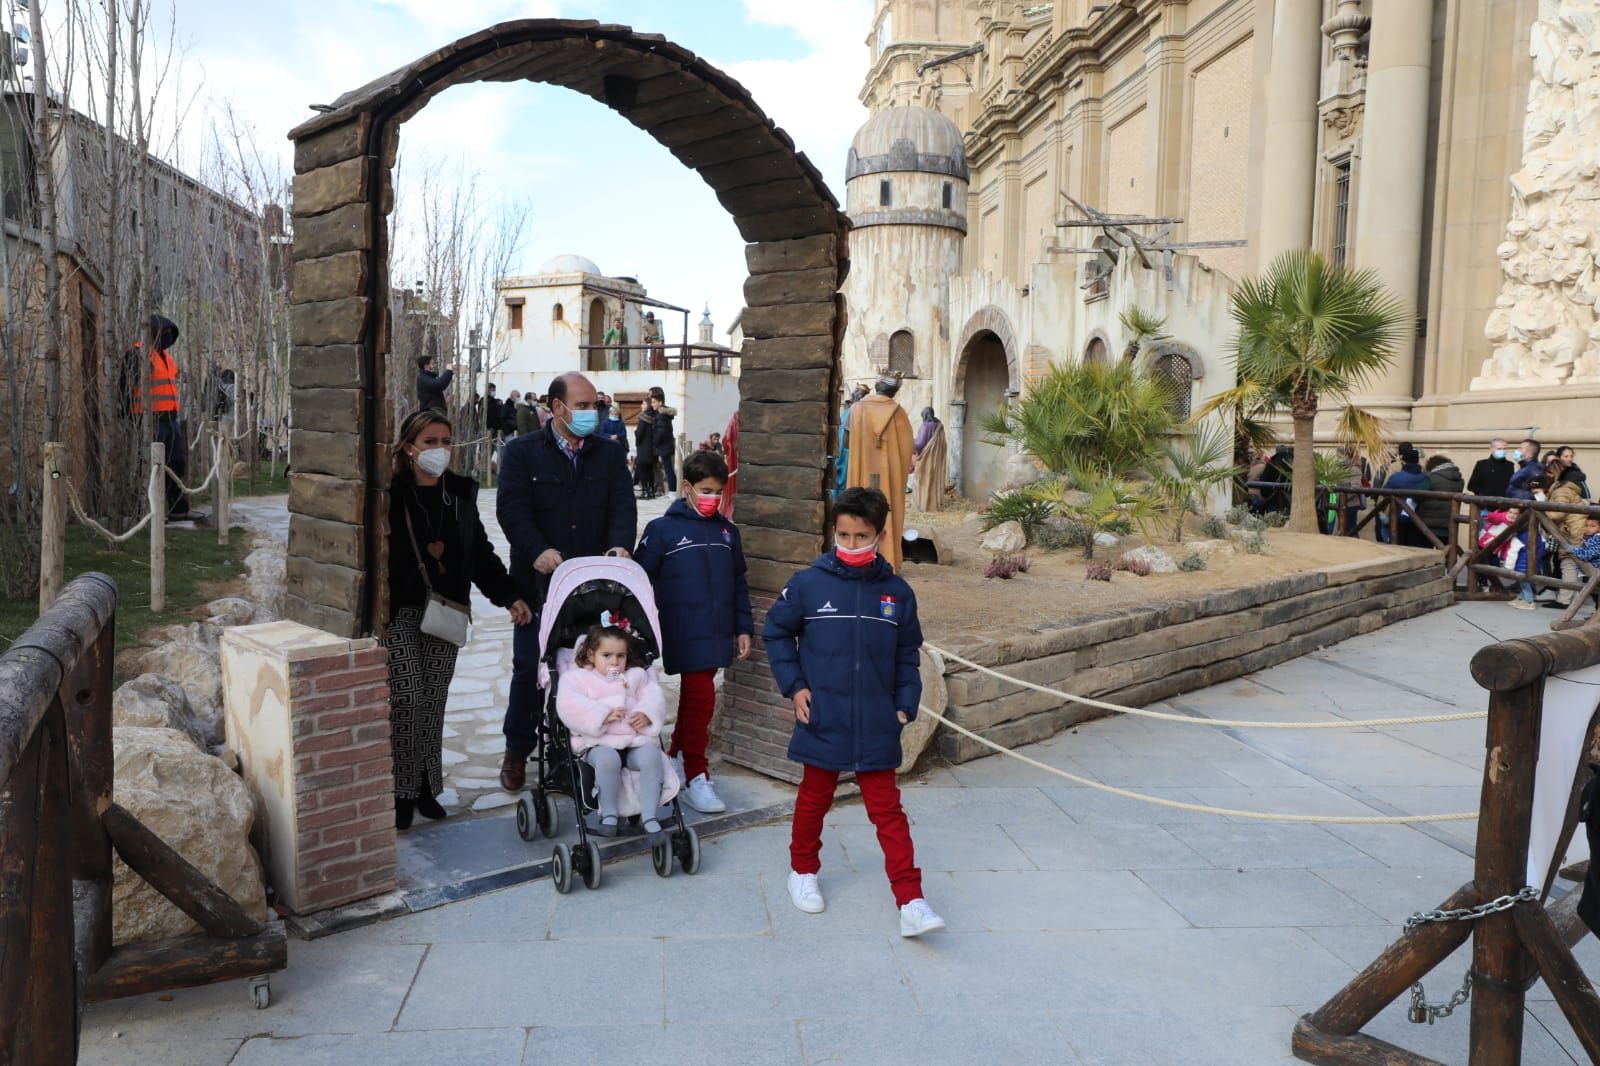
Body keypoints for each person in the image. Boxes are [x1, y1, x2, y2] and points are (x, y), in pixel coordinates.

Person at [762, 486, 945, 938]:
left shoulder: (897, 594)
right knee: (814, 799)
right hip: (824, 716)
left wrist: (905, 704)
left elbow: (908, 654)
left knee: (889, 812)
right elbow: (775, 634)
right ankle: (802, 871)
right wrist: (796, 687)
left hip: (877, 721)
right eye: (842, 535)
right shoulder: (807, 584)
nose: (850, 545)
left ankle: (911, 900)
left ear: (880, 536)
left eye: (861, 536)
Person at [386, 409, 532, 829]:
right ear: (408, 446)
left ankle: (428, 787)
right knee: (407, 700)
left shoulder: (461, 493)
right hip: (400, 612)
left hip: (448, 611)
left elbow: (481, 555)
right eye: (429, 441)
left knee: (432, 702)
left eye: (445, 441)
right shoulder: (391, 493)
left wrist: (508, 596)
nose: (439, 450)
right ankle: (401, 791)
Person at [495, 372, 637, 792]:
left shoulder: (607, 455)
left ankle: (571, 749)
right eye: (584, 405)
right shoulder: (522, 453)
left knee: (584, 670)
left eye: (596, 405)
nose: (593, 413)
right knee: (529, 669)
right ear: (557, 408)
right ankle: (518, 750)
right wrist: (537, 550)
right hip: (537, 584)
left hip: (593, 589)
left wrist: (619, 547)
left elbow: (622, 507)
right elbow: (511, 510)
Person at [634, 450, 754, 814]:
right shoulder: (662, 531)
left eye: (718, 492)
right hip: (682, 630)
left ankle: (676, 757)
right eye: (705, 490)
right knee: (703, 699)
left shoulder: (726, 532)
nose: (712, 498)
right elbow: (640, 579)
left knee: (695, 699)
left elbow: (738, 582)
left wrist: (743, 627)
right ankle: (698, 774)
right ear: (686, 487)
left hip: (718, 631)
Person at [555, 623, 669, 839]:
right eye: (606, 655)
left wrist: (646, 713)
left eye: (620, 656)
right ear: (591, 654)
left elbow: (653, 697)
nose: (614, 661)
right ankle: (609, 813)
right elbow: (568, 705)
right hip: (598, 742)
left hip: (634, 740)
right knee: (608, 760)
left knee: (652, 757)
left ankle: (650, 816)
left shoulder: (635, 676)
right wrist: (601, 714)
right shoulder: (577, 678)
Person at [125, 314, 201, 521]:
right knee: (151, 466)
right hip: (149, 420)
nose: (168, 337)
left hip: (170, 419)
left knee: (176, 464)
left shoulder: (166, 357)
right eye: (164, 333)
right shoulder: (136, 355)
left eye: (170, 333)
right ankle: (150, 511)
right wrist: (128, 416)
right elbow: (124, 388)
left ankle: (178, 509)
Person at [845, 373, 915, 571]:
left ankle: (857, 555)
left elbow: (846, 443)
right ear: (895, 391)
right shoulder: (898, 412)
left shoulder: (857, 409)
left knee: (860, 508)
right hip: (886, 475)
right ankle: (888, 559)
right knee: (886, 509)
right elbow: (906, 447)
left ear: (876, 385)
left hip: (864, 469)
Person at [1547, 458, 1587, 608]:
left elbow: (1558, 513)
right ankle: (1576, 599)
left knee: (1568, 564)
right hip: (1578, 531)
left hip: (1571, 533)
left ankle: (1564, 600)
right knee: (1577, 567)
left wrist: (1540, 514)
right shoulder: (1571, 490)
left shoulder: (1562, 491)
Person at [1482, 506, 1537, 609]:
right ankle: (1522, 598)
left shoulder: (1523, 534)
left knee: (1524, 579)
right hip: (1522, 560)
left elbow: (1514, 550)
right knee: (1522, 579)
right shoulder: (1520, 530)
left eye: (1515, 514)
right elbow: (1494, 518)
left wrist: (1508, 565)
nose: (1512, 515)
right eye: (1510, 512)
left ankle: (1529, 601)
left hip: (1523, 561)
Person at [1381, 443, 1431, 548]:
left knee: (1397, 544)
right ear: (1417, 461)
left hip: (1398, 516)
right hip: (1419, 517)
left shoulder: (1396, 477)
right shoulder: (1425, 477)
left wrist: (1382, 511)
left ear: (1404, 460)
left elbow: (1384, 492)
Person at [911, 407, 948, 514]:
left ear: (924, 415)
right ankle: (933, 504)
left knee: (923, 480)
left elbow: (920, 444)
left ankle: (924, 505)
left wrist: (910, 442)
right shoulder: (939, 425)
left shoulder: (926, 426)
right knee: (933, 480)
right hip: (936, 458)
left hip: (926, 458)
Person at [1419, 454, 1463, 546]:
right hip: (1450, 523)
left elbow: (1417, 495)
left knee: (1425, 554)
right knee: (1447, 553)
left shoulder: (1431, 478)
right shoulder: (1459, 480)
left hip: (1429, 524)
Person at [649, 388, 679, 494]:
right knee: (668, 469)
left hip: (664, 446)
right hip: (666, 445)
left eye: (653, 402)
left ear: (660, 403)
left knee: (668, 469)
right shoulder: (662, 414)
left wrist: (654, 441)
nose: (652, 404)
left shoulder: (661, 416)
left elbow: (660, 432)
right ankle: (671, 491)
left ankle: (672, 491)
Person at [634, 402, 660, 498]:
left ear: (647, 406)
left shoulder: (643, 418)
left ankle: (645, 491)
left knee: (642, 469)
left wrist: (636, 433)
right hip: (653, 448)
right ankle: (652, 491)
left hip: (643, 448)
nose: (641, 405)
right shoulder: (656, 417)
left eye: (644, 403)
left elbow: (639, 433)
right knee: (650, 470)